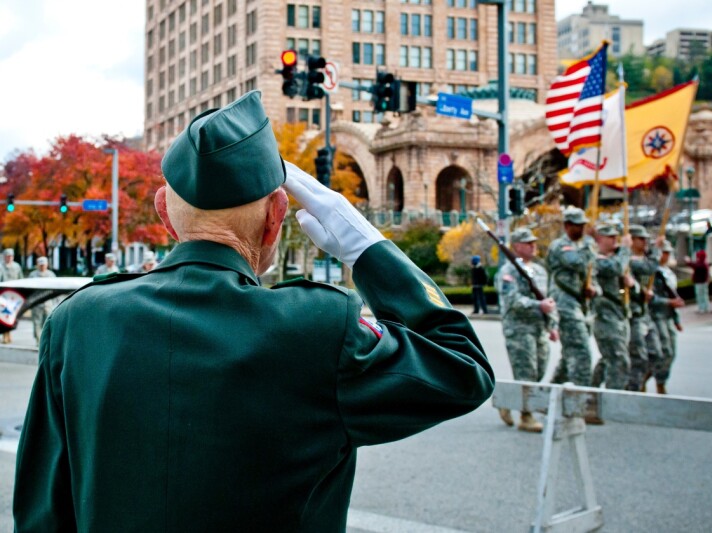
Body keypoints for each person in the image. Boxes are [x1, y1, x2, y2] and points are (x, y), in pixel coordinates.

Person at [13, 91, 495, 532]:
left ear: (164, 213)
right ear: (276, 217)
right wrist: (366, 248)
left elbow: (42, 516)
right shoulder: (319, 328)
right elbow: (462, 369)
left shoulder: (77, 322)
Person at [496, 227, 558, 433]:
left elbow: (547, 298)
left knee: (539, 370)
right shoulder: (507, 272)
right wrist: (537, 306)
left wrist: (552, 325)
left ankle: (507, 400)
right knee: (526, 372)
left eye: (534, 242)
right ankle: (526, 416)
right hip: (519, 329)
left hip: (539, 328)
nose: (533, 246)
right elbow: (512, 300)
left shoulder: (540, 271)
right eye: (528, 243)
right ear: (516, 246)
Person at [547, 206, 599, 386]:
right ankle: (582, 402)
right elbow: (576, 262)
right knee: (581, 354)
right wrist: (590, 243)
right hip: (565, 306)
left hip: (581, 306)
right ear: (567, 226)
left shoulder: (583, 246)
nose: (582, 229)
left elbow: (592, 272)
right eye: (578, 225)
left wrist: (593, 289)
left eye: (583, 225)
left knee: (569, 356)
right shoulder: (561, 246)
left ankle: (549, 395)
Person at [590, 224, 632, 391]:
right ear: (599, 239)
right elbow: (615, 268)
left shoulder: (615, 258)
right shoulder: (596, 259)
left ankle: (590, 394)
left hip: (619, 315)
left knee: (609, 358)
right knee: (618, 360)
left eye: (616, 237)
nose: (616, 240)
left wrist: (630, 283)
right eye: (611, 237)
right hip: (605, 316)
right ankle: (611, 401)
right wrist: (626, 249)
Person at [626, 225, 663, 392]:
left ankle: (641, 382)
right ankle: (633, 387)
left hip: (645, 312)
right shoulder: (629, 260)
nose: (645, 242)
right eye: (641, 239)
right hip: (633, 314)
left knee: (656, 354)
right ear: (632, 240)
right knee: (638, 357)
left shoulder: (645, 258)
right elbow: (650, 267)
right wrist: (657, 250)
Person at [647, 240, 685, 394]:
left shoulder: (668, 273)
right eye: (664, 252)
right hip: (656, 316)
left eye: (669, 252)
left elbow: (672, 294)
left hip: (668, 316)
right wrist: (669, 302)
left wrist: (676, 320)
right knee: (662, 352)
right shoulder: (652, 272)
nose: (667, 255)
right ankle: (653, 380)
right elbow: (650, 297)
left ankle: (660, 380)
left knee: (671, 352)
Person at [28, 256, 57, 345]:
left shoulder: (51, 275)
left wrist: (55, 301)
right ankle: (39, 341)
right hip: (36, 302)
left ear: (47, 264)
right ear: (37, 265)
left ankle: (47, 342)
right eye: (40, 265)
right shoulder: (33, 275)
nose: (42, 266)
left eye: (43, 265)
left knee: (48, 323)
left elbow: (56, 288)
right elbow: (29, 289)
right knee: (37, 323)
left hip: (48, 303)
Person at [0, 248, 24, 344]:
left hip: (14, 295)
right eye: (7, 256)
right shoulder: (1, 267)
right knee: (4, 315)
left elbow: (21, 279)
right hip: (3, 294)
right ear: (4, 257)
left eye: (11, 256)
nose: (9, 258)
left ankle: (9, 334)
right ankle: (5, 335)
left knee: (12, 316)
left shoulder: (17, 266)